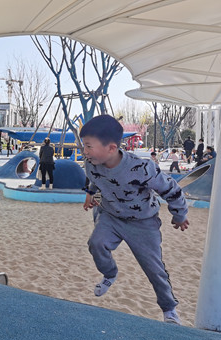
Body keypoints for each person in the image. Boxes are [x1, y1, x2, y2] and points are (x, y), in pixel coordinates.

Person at [81, 115, 189, 325]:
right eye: (84, 145)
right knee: (96, 243)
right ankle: (110, 273)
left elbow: (171, 189)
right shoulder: (92, 163)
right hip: (111, 216)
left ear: (111, 148)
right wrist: (90, 193)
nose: (84, 151)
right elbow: (95, 179)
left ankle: (169, 309)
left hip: (143, 222)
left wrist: (179, 215)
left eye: (88, 146)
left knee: (153, 268)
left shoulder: (142, 168)